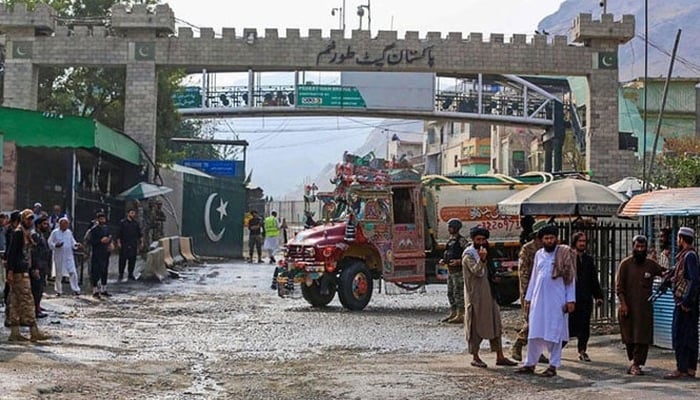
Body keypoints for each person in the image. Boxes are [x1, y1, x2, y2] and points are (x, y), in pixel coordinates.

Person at [515, 224, 576, 377]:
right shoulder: (539, 254)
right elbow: (534, 278)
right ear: (542, 240)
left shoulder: (564, 253)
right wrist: (528, 299)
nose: (549, 241)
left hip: (557, 300)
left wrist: (571, 300)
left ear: (557, 239)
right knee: (534, 331)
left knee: (554, 332)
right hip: (538, 299)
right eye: (546, 238)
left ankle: (553, 366)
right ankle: (530, 364)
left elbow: (570, 279)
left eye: (552, 238)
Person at [462, 226, 517, 368]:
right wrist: (482, 259)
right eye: (478, 239)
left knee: (495, 323)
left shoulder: (487, 252)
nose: (481, 242)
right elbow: (477, 272)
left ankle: (500, 355)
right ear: (473, 240)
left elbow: (489, 271)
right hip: (476, 296)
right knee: (476, 326)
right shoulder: (469, 255)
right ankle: (475, 356)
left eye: (483, 239)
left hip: (490, 293)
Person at [615, 234, 665, 376]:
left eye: (643, 247)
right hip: (628, 308)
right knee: (629, 337)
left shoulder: (650, 264)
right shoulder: (625, 264)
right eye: (638, 246)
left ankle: (636, 364)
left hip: (644, 309)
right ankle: (633, 362)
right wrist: (623, 304)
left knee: (642, 338)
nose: (640, 249)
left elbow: (664, 273)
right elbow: (619, 288)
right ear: (633, 247)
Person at [4, 209, 50, 342]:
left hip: (21, 270)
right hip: (19, 272)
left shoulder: (25, 233)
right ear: (22, 219)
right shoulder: (18, 233)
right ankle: (33, 330)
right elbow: (12, 253)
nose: (30, 221)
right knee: (28, 300)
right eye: (27, 219)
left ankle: (15, 332)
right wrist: (11, 271)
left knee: (15, 302)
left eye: (31, 219)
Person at [664, 227, 699, 379]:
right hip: (689, 303)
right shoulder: (687, 255)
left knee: (679, 335)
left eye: (678, 238)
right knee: (689, 335)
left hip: (685, 304)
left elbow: (695, 280)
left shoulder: (689, 256)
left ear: (681, 239)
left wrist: (686, 301)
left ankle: (682, 368)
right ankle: (690, 368)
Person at [511, 221, 547, 363]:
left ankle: (537, 351)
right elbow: (523, 272)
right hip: (530, 290)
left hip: (544, 289)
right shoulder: (528, 249)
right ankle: (518, 344)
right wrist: (527, 294)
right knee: (531, 321)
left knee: (541, 322)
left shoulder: (547, 248)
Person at [567, 231, 603, 362]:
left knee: (584, 326)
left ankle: (582, 350)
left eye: (584, 241)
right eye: (580, 241)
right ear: (575, 242)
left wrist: (598, 296)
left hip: (585, 298)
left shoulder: (588, 259)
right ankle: (556, 349)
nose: (582, 244)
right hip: (571, 299)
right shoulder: (568, 258)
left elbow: (593, 279)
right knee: (568, 326)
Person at [439, 218, 468, 323]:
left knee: (458, 292)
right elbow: (448, 252)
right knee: (450, 292)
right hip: (451, 271)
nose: (449, 229)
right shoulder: (451, 240)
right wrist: (444, 260)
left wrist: (459, 261)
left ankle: (461, 313)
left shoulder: (461, 240)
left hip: (458, 272)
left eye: (451, 227)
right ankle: (454, 312)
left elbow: (468, 254)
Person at [48, 217, 82, 297]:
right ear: (60, 224)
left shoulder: (69, 232)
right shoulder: (55, 232)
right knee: (58, 274)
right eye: (63, 224)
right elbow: (50, 243)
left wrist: (76, 245)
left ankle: (76, 289)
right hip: (59, 256)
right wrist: (56, 245)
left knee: (73, 272)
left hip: (68, 256)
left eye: (66, 224)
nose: (65, 225)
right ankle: (59, 290)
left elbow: (73, 242)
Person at [30, 216, 52, 318]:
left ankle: (38, 306)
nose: (46, 226)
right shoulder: (34, 235)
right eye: (44, 224)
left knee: (40, 288)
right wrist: (36, 268)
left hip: (43, 265)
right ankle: (35, 309)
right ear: (38, 225)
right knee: (36, 289)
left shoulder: (41, 235)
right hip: (38, 266)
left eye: (47, 224)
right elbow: (34, 253)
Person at [89, 211, 112, 299]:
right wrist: (100, 241)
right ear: (98, 219)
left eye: (103, 218)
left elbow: (109, 237)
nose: (103, 220)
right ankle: (95, 290)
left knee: (104, 270)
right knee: (96, 271)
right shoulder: (94, 230)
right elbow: (91, 241)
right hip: (97, 253)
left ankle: (104, 289)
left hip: (105, 252)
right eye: (101, 219)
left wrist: (110, 242)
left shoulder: (106, 228)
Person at [117, 208, 143, 281]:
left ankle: (130, 273)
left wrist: (141, 242)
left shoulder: (136, 223)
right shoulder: (123, 223)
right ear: (128, 213)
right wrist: (119, 242)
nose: (133, 214)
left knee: (132, 259)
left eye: (134, 213)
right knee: (122, 259)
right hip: (124, 243)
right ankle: (121, 273)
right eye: (131, 213)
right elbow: (119, 233)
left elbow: (139, 234)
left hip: (133, 243)